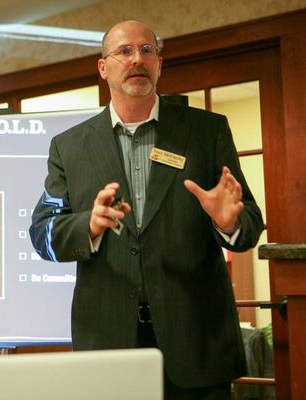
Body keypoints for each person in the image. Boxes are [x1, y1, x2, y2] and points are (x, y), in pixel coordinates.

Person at [29, 20, 264, 399]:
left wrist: (230, 222)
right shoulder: (69, 147)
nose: (137, 59)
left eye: (147, 50)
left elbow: (250, 222)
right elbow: (42, 235)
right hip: (108, 346)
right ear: (103, 67)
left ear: (159, 64)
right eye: (124, 51)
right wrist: (86, 226)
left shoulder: (207, 131)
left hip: (196, 341)